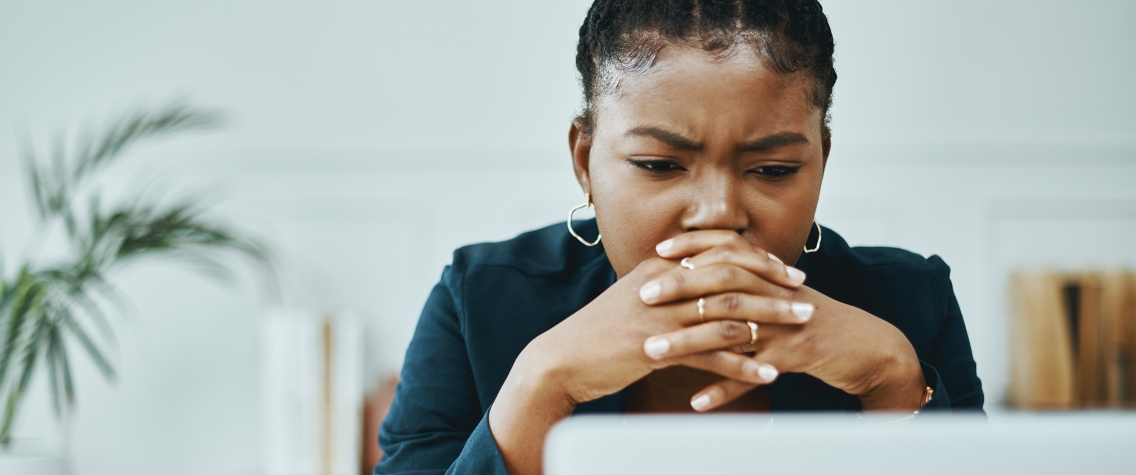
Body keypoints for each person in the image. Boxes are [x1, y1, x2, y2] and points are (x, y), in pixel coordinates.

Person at [375, 1, 984, 474]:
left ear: (820, 161)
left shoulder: (910, 303)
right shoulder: (478, 301)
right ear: (585, 161)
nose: (718, 215)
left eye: (772, 171)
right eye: (660, 165)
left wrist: (893, 382)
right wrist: (541, 384)